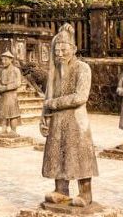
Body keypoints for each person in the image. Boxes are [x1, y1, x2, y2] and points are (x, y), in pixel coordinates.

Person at [40, 24, 98, 207]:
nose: (60, 53)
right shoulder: (55, 72)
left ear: (73, 49)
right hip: (57, 120)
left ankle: (86, 193)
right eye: (57, 50)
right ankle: (61, 190)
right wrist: (44, 115)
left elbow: (81, 97)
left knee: (80, 155)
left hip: (76, 119)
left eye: (64, 49)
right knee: (57, 153)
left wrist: (53, 104)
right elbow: (49, 95)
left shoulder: (83, 68)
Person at [0, 50, 22, 136]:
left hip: (11, 95)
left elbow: (18, 83)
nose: (3, 61)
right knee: (3, 112)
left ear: (11, 60)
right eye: (2, 60)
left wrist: (6, 88)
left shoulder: (16, 70)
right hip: (3, 95)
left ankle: (13, 130)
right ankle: (4, 129)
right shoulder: (1, 70)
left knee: (13, 113)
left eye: (5, 60)